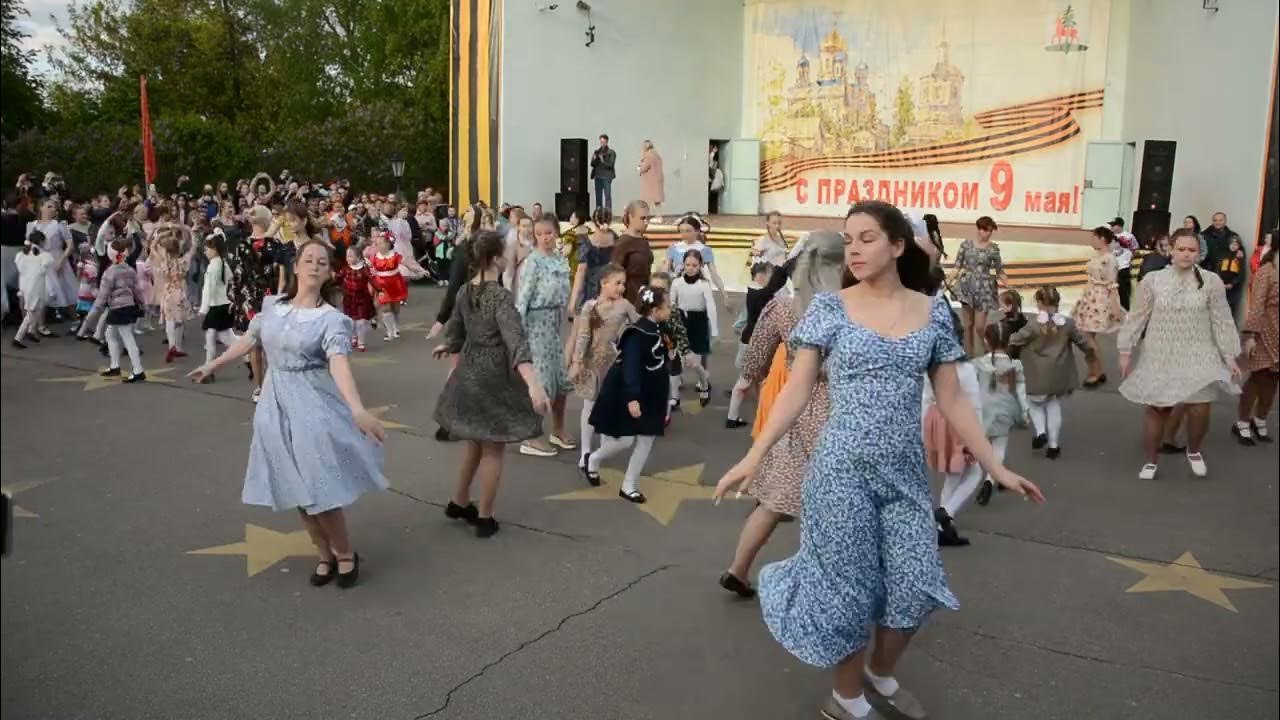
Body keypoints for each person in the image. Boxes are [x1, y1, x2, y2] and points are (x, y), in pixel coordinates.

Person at [713, 200, 1042, 720]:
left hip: (905, 473)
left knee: (914, 586)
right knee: (847, 594)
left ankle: (880, 672)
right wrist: (754, 455)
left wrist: (995, 466)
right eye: (848, 240)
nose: (855, 249)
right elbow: (796, 391)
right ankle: (847, 699)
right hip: (839, 470)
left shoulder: (933, 311)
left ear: (897, 245)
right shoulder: (828, 309)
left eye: (867, 238)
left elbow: (952, 398)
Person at [189, 240, 387, 589]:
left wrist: (357, 409)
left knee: (319, 486)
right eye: (307, 260)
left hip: (313, 404)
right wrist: (214, 364)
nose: (313, 265)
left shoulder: (332, 320)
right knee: (296, 486)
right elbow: (250, 341)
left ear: (328, 273)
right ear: (295, 267)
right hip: (274, 404)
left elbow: (339, 365)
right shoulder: (272, 307)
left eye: (321, 262)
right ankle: (322, 554)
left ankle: (344, 554)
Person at [717, 232, 843, 598]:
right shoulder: (857, 309)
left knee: (773, 502)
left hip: (793, 415)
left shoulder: (784, 309)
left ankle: (737, 569)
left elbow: (754, 359)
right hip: (840, 414)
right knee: (831, 509)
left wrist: (755, 381)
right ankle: (824, 586)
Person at [432, 231, 550, 538]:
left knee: (474, 442)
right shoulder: (499, 296)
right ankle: (485, 516)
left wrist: (447, 346)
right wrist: (533, 384)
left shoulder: (463, 291)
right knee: (493, 447)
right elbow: (516, 343)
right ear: (497, 259)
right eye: (509, 252)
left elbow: (456, 331)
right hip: (492, 375)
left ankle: (458, 502)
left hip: (468, 372)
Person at [1118, 229, 1241, 480]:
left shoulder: (1211, 281)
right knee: (1158, 408)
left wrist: (1230, 355)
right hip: (1160, 352)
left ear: (1199, 253)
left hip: (1199, 351)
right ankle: (1151, 461)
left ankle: (1194, 451)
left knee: (1200, 408)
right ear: (1171, 250)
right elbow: (1137, 316)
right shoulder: (1152, 280)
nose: (1186, 254)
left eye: (1192, 250)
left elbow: (1222, 320)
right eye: (1181, 249)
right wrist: (1125, 350)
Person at [583, 285, 672, 502]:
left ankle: (629, 484)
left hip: (653, 394)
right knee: (624, 440)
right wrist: (632, 398)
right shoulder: (636, 333)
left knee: (647, 438)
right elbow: (630, 367)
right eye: (667, 305)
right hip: (630, 393)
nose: (670, 309)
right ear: (654, 310)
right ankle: (593, 459)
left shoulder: (658, 328)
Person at [1007, 286, 1094, 463]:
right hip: (1058, 373)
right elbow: (1083, 342)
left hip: (1036, 373)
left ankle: (1040, 432)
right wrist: (1090, 354)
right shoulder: (1067, 324)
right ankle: (1054, 446)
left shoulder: (1032, 325)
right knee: (1053, 404)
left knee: (1034, 403)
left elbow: (1015, 339)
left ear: (1039, 303)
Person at [569, 264, 637, 476]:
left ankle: (605, 446)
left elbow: (638, 325)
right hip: (592, 362)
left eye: (623, 283)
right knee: (589, 404)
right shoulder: (590, 307)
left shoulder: (624, 305)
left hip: (612, 361)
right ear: (603, 283)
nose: (621, 287)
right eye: (617, 283)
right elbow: (583, 336)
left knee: (608, 403)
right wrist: (578, 361)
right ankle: (586, 451)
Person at [515, 217, 575, 457]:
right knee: (541, 381)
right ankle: (532, 436)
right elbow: (523, 299)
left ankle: (558, 429)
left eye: (549, 232)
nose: (545, 237)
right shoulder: (533, 262)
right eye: (539, 233)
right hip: (536, 323)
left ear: (556, 233)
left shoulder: (560, 259)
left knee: (560, 379)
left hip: (554, 323)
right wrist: (518, 332)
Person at [968, 323, 1030, 508]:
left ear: (986, 341)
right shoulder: (1014, 365)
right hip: (1006, 407)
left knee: (982, 446)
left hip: (983, 409)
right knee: (999, 446)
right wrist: (1024, 411)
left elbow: (970, 388)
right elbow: (1020, 390)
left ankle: (986, 475)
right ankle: (990, 480)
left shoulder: (978, 364)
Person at [1072, 226, 1125, 386]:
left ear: (1102, 239)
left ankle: (1096, 371)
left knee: (1088, 337)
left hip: (1100, 299)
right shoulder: (1097, 257)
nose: (1092, 241)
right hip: (1090, 298)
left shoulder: (1110, 259)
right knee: (1086, 336)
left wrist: (1115, 306)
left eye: (1094, 237)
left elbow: (1112, 283)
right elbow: (1090, 279)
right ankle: (1095, 370)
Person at [1235, 244, 1278, 444]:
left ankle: (1260, 419)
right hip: (1264, 330)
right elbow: (1257, 304)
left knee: (1273, 378)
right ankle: (1242, 422)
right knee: (1258, 376)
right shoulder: (1266, 271)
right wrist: (1251, 334)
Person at [726, 262, 776, 428]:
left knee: (751, 380)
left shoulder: (752, 292)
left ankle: (738, 416)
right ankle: (739, 417)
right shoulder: (761, 295)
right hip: (757, 342)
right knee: (748, 381)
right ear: (761, 275)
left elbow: (743, 319)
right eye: (770, 275)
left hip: (748, 339)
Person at [90, 238, 147, 381]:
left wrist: (95, 310)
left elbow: (103, 294)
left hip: (117, 307)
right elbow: (137, 290)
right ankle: (115, 366)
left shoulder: (110, 272)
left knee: (126, 336)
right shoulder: (129, 269)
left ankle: (138, 370)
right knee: (110, 334)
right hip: (129, 306)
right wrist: (142, 303)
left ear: (110, 254)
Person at [950, 216, 1006, 356]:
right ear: (979, 230)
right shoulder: (966, 245)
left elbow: (999, 270)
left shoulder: (993, 249)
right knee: (967, 325)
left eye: (990, 231)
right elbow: (957, 267)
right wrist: (947, 283)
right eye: (986, 230)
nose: (988, 234)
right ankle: (969, 355)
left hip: (985, 289)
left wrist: (1009, 285)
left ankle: (988, 350)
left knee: (980, 327)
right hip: (967, 287)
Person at [670, 248, 718, 406]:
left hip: (699, 322)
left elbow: (710, 306)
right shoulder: (677, 282)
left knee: (695, 363)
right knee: (678, 359)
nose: (690, 268)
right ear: (683, 264)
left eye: (694, 265)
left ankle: (704, 384)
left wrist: (715, 329)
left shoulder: (704, 284)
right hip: (681, 320)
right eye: (688, 264)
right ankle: (674, 395)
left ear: (700, 266)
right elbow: (671, 304)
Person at [197, 232, 238, 382]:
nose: (205, 251)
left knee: (211, 338)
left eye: (207, 248)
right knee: (225, 337)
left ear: (214, 249)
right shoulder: (223, 263)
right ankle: (247, 355)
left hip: (215, 306)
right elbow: (231, 281)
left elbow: (209, 289)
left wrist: (203, 309)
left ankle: (208, 371)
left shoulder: (213, 267)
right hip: (225, 304)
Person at [665, 215, 727, 306]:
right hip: (678, 288)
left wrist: (724, 294)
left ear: (697, 231)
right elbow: (665, 270)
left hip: (698, 288)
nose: (684, 234)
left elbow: (714, 273)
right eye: (682, 231)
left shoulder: (705, 250)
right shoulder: (674, 248)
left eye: (688, 231)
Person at [569, 206, 616, 315]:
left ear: (594, 221)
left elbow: (580, 271)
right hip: (610, 288)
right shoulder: (616, 239)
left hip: (590, 291)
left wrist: (573, 300)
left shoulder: (587, 241)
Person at [12, 234, 55, 349]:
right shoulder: (43, 256)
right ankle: (18, 338)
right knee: (32, 311)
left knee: (35, 310)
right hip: (35, 286)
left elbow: (21, 269)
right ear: (41, 241)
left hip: (26, 285)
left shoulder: (21, 255)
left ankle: (30, 331)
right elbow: (43, 270)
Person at [613, 200, 653, 305]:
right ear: (631, 217)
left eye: (648, 218)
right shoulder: (623, 242)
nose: (646, 222)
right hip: (629, 296)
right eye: (642, 218)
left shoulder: (644, 241)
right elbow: (615, 273)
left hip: (645, 295)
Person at [370, 231, 407, 341]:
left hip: (395, 283)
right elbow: (369, 270)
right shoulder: (375, 257)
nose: (378, 246)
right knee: (385, 308)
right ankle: (389, 331)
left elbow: (409, 263)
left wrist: (420, 270)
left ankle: (395, 327)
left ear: (388, 244)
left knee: (395, 308)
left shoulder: (395, 256)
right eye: (377, 244)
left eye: (381, 243)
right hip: (381, 285)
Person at [337, 244, 375, 352]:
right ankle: (353, 336)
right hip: (349, 298)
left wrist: (380, 290)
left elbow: (372, 280)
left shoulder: (364, 269)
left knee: (361, 321)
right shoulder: (345, 269)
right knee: (351, 320)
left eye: (350, 256)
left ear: (358, 257)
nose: (348, 258)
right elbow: (338, 279)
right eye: (347, 256)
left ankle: (361, 342)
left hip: (362, 298)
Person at [1109, 217, 1138, 310]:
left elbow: (1135, 249)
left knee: (1123, 292)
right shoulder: (1109, 237)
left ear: (1119, 226)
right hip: (1112, 267)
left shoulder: (1129, 236)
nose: (1111, 227)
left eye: (1113, 225)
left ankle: (1125, 310)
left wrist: (1128, 258)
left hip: (1123, 267)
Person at [1216, 234, 1246, 317]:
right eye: (1231, 244)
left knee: (1231, 308)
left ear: (1239, 246)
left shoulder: (1240, 258)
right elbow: (1218, 269)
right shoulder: (1223, 255)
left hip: (1233, 287)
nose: (1233, 246)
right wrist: (1219, 281)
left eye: (1236, 244)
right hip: (1221, 285)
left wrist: (1232, 284)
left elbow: (1241, 273)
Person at [638, 141, 665, 222]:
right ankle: (659, 216)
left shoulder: (648, 155)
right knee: (657, 199)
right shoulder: (657, 155)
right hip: (658, 179)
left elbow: (644, 167)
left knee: (646, 199)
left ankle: (644, 217)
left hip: (650, 180)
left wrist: (639, 168)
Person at [590, 134, 617, 213]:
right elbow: (592, 164)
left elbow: (611, 165)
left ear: (607, 142)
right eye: (601, 142)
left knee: (607, 196)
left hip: (606, 176)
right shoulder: (597, 152)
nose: (602, 144)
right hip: (597, 176)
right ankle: (599, 214)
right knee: (598, 196)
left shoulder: (611, 152)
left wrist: (603, 160)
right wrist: (594, 159)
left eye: (604, 142)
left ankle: (608, 214)